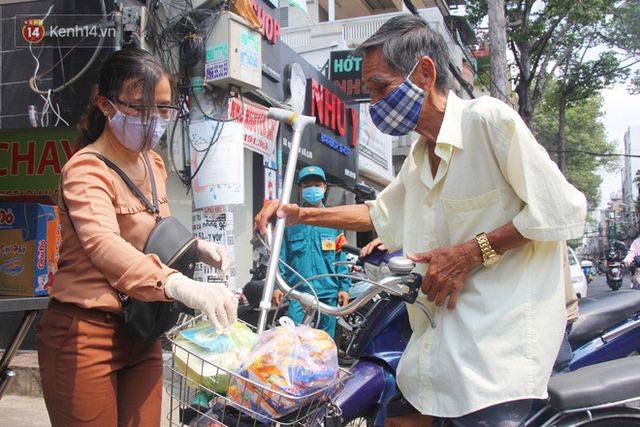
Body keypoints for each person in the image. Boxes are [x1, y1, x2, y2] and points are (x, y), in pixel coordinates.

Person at [254, 14, 586, 427]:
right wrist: (301, 214)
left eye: (380, 87)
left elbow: (563, 209)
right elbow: (378, 213)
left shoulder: (485, 121)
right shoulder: (417, 157)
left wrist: (472, 251)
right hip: (443, 339)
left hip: (500, 350)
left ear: (424, 73)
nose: (374, 104)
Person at [36, 48, 238, 427]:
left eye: (163, 110)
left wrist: (195, 247)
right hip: (85, 332)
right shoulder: (85, 170)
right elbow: (104, 245)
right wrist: (178, 284)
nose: (154, 121)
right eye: (140, 108)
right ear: (107, 105)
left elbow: (152, 233)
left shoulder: (153, 162)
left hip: (143, 327)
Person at [272, 166, 350, 338]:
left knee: (324, 342)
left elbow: (340, 256)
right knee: (296, 340)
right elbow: (281, 257)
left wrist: (344, 287)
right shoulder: (289, 221)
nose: (312, 188)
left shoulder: (334, 221)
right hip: (299, 293)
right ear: (300, 189)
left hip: (328, 292)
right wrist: (277, 286)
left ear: (324, 188)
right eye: (307, 185)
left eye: (317, 184)